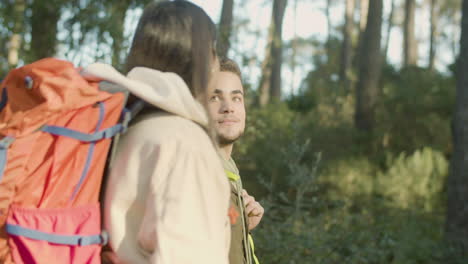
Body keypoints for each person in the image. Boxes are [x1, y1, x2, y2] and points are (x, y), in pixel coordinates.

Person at [89, 1, 231, 263]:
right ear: (200, 59)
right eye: (213, 52)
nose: (216, 65)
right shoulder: (183, 142)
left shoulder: (119, 126)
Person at [207, 57, 264, 264]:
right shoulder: (199, 173)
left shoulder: (228, 168)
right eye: (215, 98)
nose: (228, 107)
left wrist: (241, 226)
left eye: (236, 98)